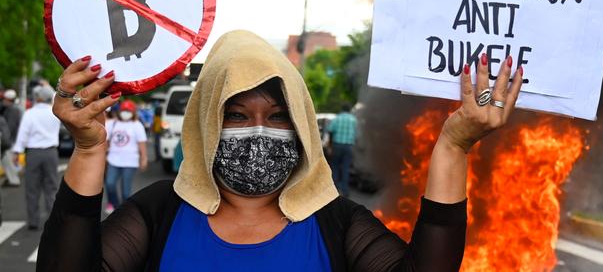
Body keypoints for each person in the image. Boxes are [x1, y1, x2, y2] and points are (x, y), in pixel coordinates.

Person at [37, 31, 523, 271]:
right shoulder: (159, 212)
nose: (257, 132)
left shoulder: (338, 224)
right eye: (236, 115)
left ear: (302, 126)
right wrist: (87, 150)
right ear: (207, 123)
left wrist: (454, 145)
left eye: (276, 117)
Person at [12, 85, 60, 230]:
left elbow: (23, 134)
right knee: (51, 188)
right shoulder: (55, 112)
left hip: (33, 153)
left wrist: (17, 151)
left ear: (38, 97)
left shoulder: (30, 113)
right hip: (51, 153)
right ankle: (52, 221)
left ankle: (33, 221)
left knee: (32, 189)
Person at [104, 99, 148, 213]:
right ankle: (115, 205)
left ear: (133, 112)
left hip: (130, 162)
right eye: (124, 110)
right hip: (113, 160)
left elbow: (142, 144)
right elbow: (106, 141)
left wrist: (144, 158)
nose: (125, 113)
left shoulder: (137, 125)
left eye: (128, 111)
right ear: (119, 111)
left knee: (126, 191)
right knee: (110, 184)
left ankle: (123, 212)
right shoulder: (112, 124)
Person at [327, 104, 358, 197]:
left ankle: (334, 190)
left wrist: (330, 145)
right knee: (345, 168)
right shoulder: (354, 120)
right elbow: (356, 135)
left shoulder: (337, 118)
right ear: (349, 110)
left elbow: (330, 130)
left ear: (342, 109)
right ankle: (345, 191)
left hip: (337, 145)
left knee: (335, 167)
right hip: (349, 146)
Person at [1, 89, 23, 186]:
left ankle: (13, 180)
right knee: (9, 161)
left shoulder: (12, 110)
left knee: (9, 161)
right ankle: (11, 178)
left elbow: (10, 127)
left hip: (11, 140)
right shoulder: (16, 108)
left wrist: (6, 140)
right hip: (13, 139)